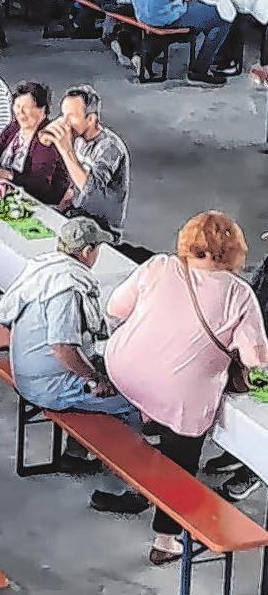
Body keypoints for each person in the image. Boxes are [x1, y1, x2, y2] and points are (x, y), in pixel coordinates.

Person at [104, 213, 268, 559]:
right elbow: (256, 359)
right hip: (179, 395)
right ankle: (165, 540)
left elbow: (115, 308)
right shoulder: (239, 294)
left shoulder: (159, 265)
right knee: (182, 452)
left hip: (125, 371)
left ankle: (141, 475)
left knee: (155, 418)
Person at [0, 216, 141, 446]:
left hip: (30, 372)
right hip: (48, 385)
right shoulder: (66, 289)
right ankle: (134, 460)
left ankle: (79, 451)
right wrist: (95, 379)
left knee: (104, 369)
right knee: (136, 399)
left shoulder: (44, 269)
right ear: (87, 251)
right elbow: (63, 348)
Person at [0, 80, 70, 207]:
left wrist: (5, 174)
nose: (19, 113)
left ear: (42, 110)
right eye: (17, 107)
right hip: (5, 190)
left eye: (26, 108)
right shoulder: (16, 126)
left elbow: (40, 184)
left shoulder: (47, 138)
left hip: (36, 203)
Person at [49, 84, 131, 237]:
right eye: (63, 115)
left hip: (101, 228)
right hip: (76, 215)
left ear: (91, 119)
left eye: (72, 116)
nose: (65, 122)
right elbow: (73, 187)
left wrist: (66, 150)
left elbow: (91, 189)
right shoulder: (79, 139)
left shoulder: (110, 148)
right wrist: (58, 211)